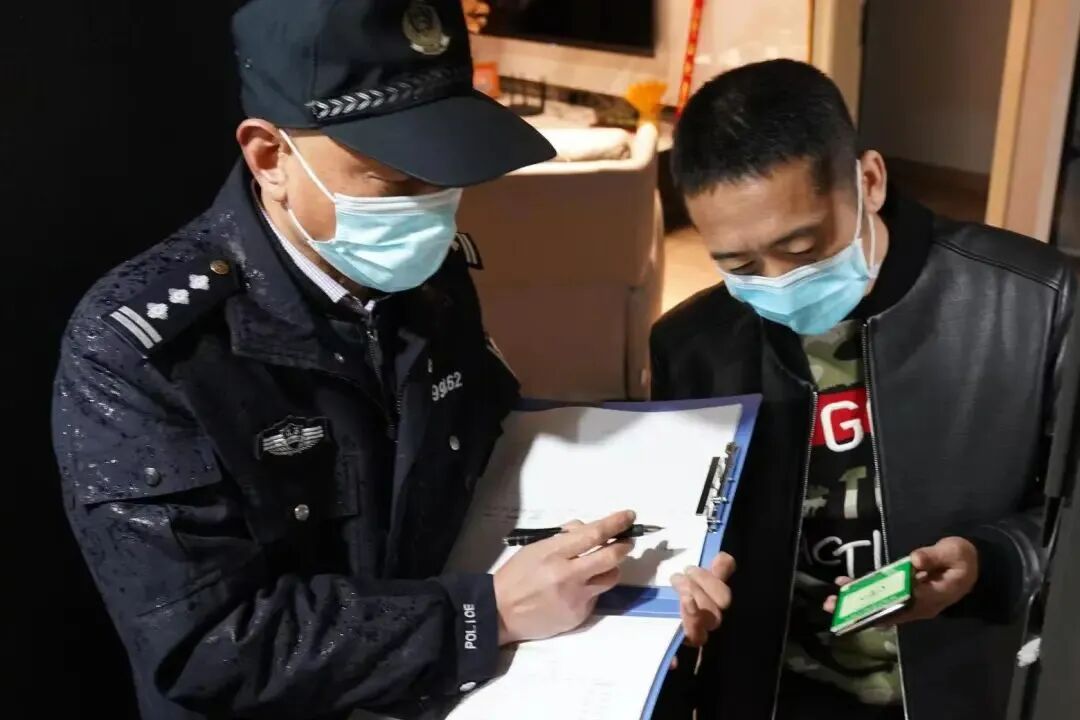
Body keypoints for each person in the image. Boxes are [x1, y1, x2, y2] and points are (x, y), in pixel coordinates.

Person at [52, 1, 733, 717]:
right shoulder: (142, 350)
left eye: (446, 171)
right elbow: (209, 645)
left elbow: (488, 453)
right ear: (270, 156)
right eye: (396, 180)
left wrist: (633, 575)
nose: (431, 207)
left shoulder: (427, 276)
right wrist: (481, 617)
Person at [650, 59, 1076, 720]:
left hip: (958, 682)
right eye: (739, 264)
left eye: (802, 247)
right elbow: (686, 524)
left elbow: (1065, 523)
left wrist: (987, 561)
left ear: (869, 181)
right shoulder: (692, 344)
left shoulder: (1035, 304)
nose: (777, 282)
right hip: (774, 691)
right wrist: (680, 591)